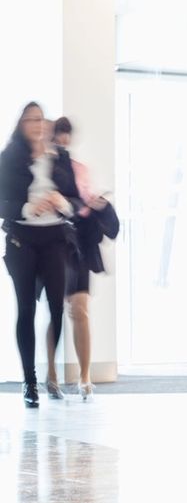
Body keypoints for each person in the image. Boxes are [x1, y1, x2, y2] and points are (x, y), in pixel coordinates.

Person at [0, 103, 81, 408]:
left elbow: (75, 198)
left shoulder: (59, 157)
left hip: (55, 237)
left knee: (58, 309)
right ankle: (29, 381)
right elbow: (2, 201)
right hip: (22, 238)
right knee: (26, 309)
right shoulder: (9, 158)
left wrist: (61, 201)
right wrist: (26, 208)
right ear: (21, 124)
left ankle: (50, 374)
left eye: (40, 119)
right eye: (30, 120)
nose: (37, 125)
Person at [44, 117, 118, 401]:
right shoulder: (44, 167)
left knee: (81, 308)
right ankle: (51, 375)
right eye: (57, 134)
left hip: (82, 242)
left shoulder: (79, 169)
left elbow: (86, 201)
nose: (62, 139)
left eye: (65, 134)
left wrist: (96, 203)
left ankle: (85, 377)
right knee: (56, 309)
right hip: (54, 241)